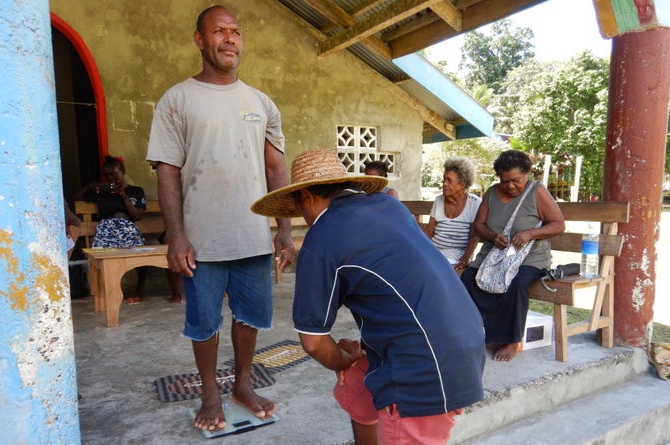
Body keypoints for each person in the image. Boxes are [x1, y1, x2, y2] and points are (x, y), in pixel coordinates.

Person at [251, 149, 485, 445]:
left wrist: (341, 359)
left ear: (307, 197)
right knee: (356, 377)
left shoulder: (322, 238)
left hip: (424, 368)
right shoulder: (391, 207)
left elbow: (313, 342)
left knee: (348, 364)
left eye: (299, 208)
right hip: (465, 335)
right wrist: (350, 361)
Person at [146, 5, 294, 433]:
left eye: (235, 32)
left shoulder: (261, 103)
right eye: (219, 31)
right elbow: (167, 170)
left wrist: (283, 229)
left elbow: (275, 170)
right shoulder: (177, 99)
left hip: (252, 235)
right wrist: (177, 236)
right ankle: (210, 392)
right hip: (202, 239)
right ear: (199, 40)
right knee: (204, 322)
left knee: (250, 317)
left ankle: (243, 386)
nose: (230, 39)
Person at [460, 150, 565, 362]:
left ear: (527, 174)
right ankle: (479, 333)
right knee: (468, 280)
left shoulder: (536, 191)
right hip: (494, 256)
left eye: (516, 180)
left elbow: (558, 224)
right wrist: (492, 236)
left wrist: (529, 234)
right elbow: (478, 225)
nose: (510, 186)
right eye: (505, 181)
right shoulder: (491, 193)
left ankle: (511, 340)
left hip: (529, 258)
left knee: (516, 284)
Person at [75, 155, 147, 303]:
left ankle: (139, 289)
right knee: (100, 254)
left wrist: (123, 195)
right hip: (106, 227)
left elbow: (137, 215)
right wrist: (89, 187)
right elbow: (74, 200)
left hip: (127, 226)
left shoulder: (136, 191)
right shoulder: (102, 193)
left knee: (141, 252)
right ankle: (107, 291)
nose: (112, 178)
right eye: (108, 175)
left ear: (123, 171)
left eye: (115, 173)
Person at [423, 156, 481, 274]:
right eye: (444, 179)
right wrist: (418, 246)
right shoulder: (439, 200)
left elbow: (474, 236)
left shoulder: (474, 203)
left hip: (458, 252)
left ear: (463, 184)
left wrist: (465, 257)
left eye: (449, 180)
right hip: (435, 249)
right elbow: (429, 232)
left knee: (437, 269)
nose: (444, 184)